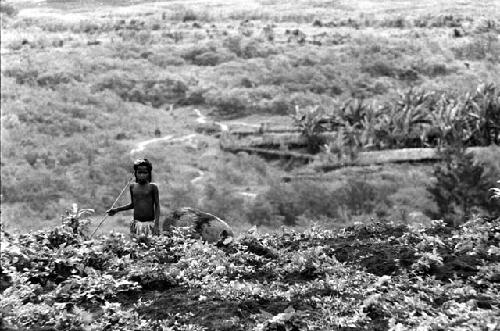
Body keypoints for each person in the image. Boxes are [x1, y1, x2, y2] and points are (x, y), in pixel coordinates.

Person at [107, 159, 160, 241]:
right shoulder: (132, 186)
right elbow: (133, 205)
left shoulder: (153, 187)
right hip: (136, 224)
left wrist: (156, 225)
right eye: (139, 172)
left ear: (149, 174)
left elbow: (157, 206)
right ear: (136, 173)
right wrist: (116, 210)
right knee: (136, 248)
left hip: (150, 224)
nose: (142, 175)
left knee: (151, 247)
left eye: (145, 173)